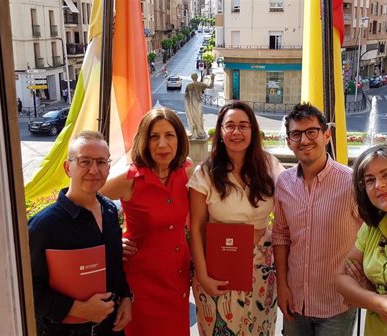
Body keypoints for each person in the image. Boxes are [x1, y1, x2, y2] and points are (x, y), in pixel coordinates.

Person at [188, 101, 284, 335]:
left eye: (243, 125)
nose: (236, 132)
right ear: (220, 131)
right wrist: (202, 274)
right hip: (218, 266)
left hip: (261, 265)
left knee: (259, 328)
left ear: (253, 130)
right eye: (229, 125)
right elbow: (197, 227)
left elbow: (289, 209)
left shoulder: (270, 165)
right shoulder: (205, 172)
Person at [28, 131, 133, 336]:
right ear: (68, 168)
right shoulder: (43, 226)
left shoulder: (110, 212)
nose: (94, 170)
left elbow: (114, 267)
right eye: (84, 161)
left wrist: (126, 297)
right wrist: (77, 308)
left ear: (108, 168)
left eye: (101, 162)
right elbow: (27, 289)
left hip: (111, 329)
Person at [99, 108, 194, 336]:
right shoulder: (129, 179)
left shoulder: (187, 171)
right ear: (144, 140)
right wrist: (111, 243)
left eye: (169, 135)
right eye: (154, 136)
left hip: (177, 279)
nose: (162, 144)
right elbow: (84, 201)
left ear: (179, 139)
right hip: (141, 284)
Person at [272, 103, 362, 336]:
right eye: (296, 134)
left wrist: (361, 283)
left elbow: (370, 235)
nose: (304, 140)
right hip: (295, 301)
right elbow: (281, 236)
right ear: (289, 141)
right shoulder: (284, 183)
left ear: (326, 134)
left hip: (337, 303)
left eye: (311, 132)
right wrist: (282, 286)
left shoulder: (350, 183)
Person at [335, 141, 387, 336]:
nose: (379, 185)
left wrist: (362, 292)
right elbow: (340, 279)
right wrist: (377, 300)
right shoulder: (373, 227)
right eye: (370, 180)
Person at [184, 73, 215, 139]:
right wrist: (212, 79)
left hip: (191, 104)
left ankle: (195, 131)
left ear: (191, 77)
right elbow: (210, 86)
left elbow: (186, 97)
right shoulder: (200, 84)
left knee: (193, 117)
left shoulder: (188, 85)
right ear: (197, 77)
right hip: (198, 103)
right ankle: (199, 131)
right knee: (199, 117)